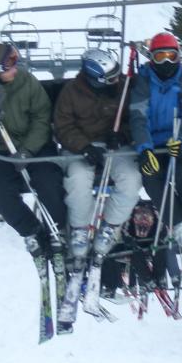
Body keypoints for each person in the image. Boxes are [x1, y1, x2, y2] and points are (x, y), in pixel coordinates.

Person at [0, 42, 67, 257]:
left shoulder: (26, 81)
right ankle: (32, 230)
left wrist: (27, 150)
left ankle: (58, 228)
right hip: (1, 151)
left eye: (14, 61)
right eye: (9, 65)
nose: (15, 68)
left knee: (48, 182)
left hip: (36, 146)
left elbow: (42, 117)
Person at [129, 32, 182, 267]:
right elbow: (138, 117)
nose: (166, 61)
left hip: (176, 141)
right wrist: (144, 149)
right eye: (160, 56)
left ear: (178, 56)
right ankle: (177, 222)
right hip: (153, 143)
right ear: (152, 59)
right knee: (151, 177)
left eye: (171, 56)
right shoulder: (143, 81)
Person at [53, 48, 142, 261]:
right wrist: (83, 146)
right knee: (78, 180)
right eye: (110, 78)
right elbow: (63, 126)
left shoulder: (123, 88)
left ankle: (111, 225)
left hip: (115, 145)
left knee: (132, 179)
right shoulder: (71, 92)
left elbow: (135, 118)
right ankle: (80, 227)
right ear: (95, 79)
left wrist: (122, 135)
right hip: (81, 147)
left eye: (117, 75)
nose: (116, 80)